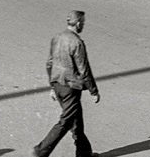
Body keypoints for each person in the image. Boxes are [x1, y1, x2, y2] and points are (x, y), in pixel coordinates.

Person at [33, 10, 100, 157]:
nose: (83, 25)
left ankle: (84, 153)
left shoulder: (57, 38)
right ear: (78, 23)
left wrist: (52, 85)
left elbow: (50, 63)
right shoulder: (77, 42)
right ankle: (41, 151)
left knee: (76, 120)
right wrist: (93, 91)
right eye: (83, 23)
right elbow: (84, 69)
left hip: (58, 85)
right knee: (66, 122)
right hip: (70, 87)